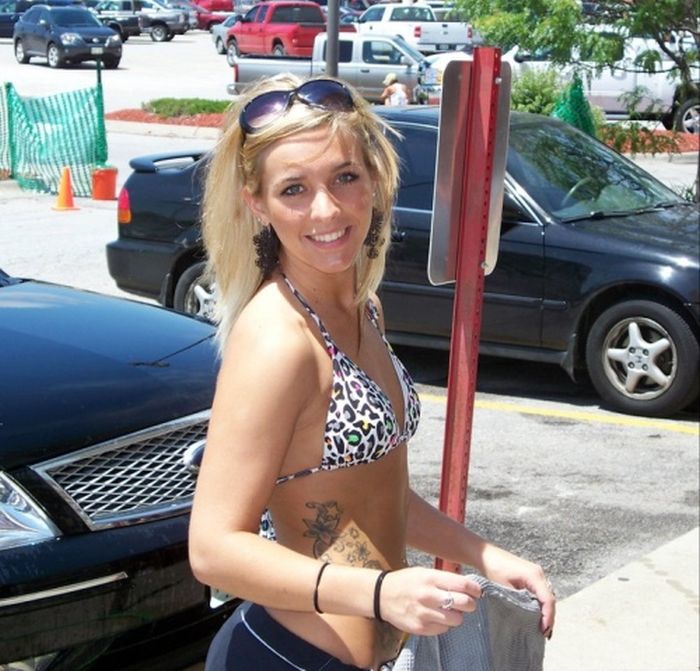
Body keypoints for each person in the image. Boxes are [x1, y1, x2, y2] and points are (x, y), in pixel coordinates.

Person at [188, 74, 555, 671]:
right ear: (257, 203)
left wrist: (482, 554)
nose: (326, 209)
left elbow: (374, 495)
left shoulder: (363, 308)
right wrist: (384, 594)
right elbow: (213, 550)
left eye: (344, 177)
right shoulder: (278, 340)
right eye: (293, 189)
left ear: (377, 179)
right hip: (291, 657)